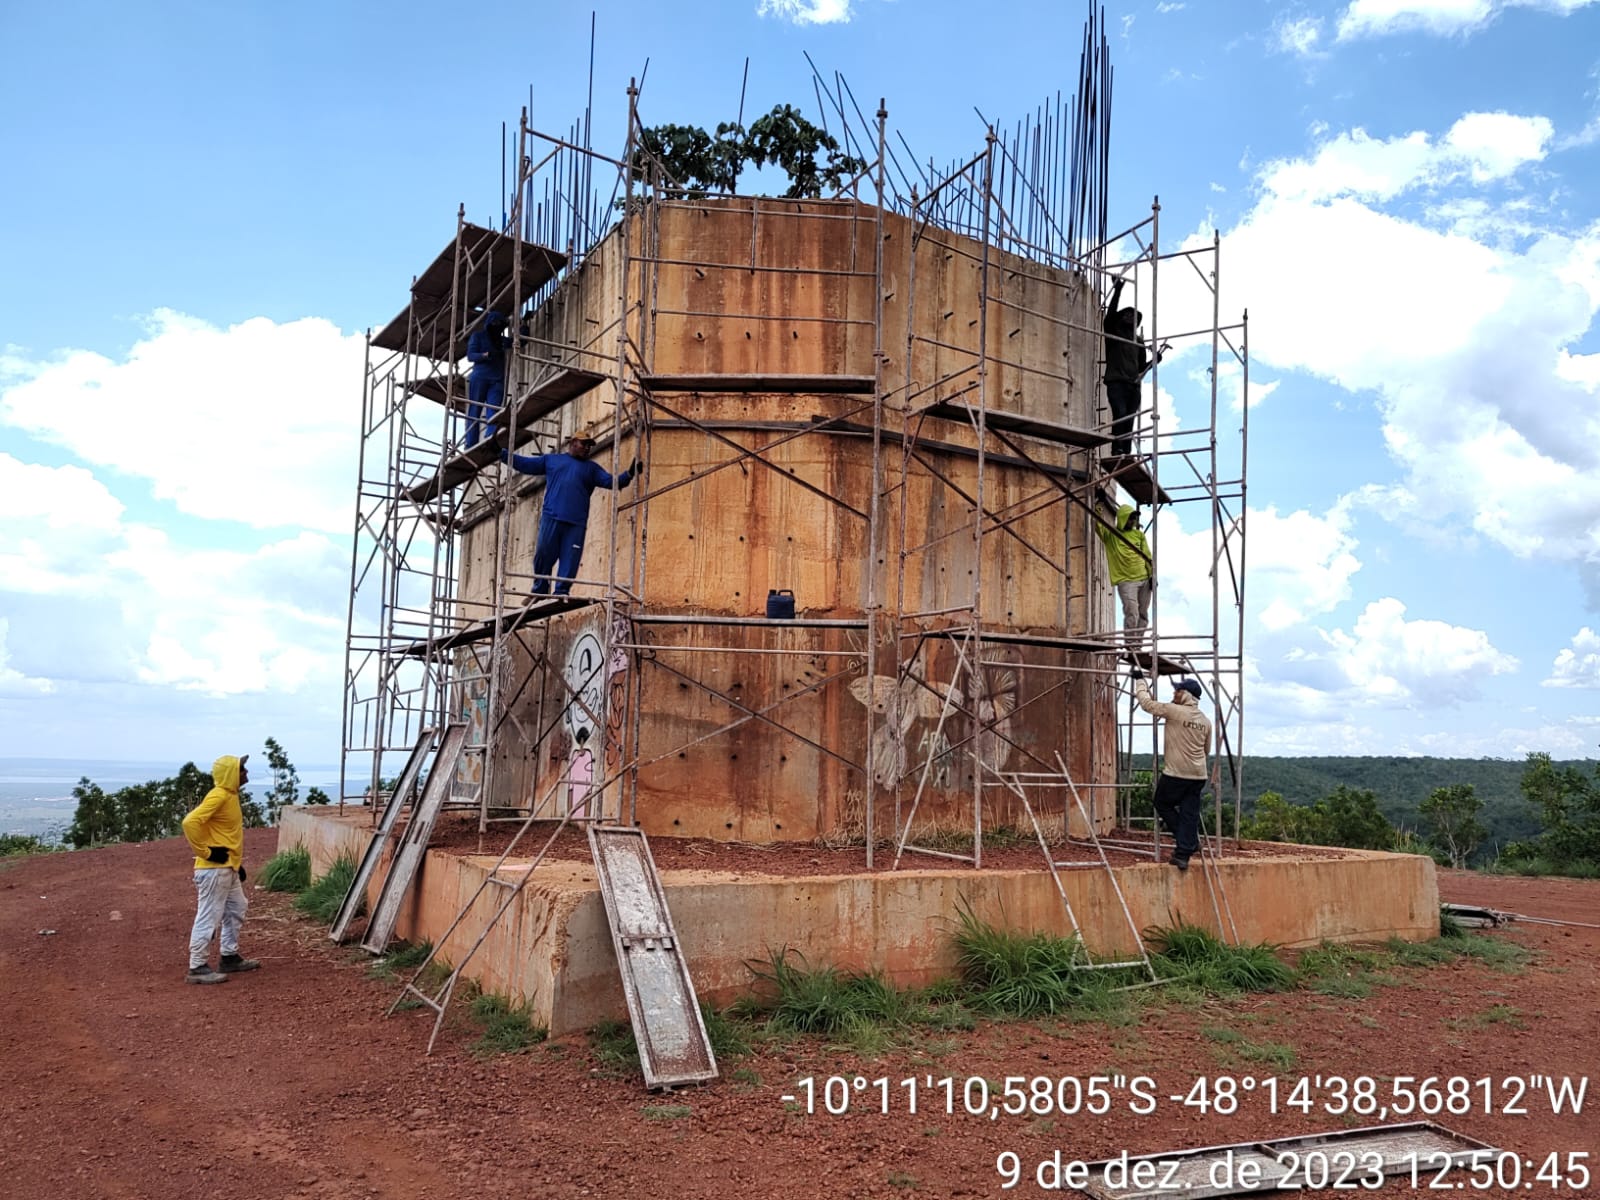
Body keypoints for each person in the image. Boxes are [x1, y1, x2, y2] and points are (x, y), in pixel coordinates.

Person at [504, 430, 642, 595]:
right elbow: (525, 464)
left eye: (589, 445)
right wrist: (502, 454)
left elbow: (611, 482)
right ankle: (540, 588)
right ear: (573, 443)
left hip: (576, 523)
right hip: (551, 517)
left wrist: (629, 474)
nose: (587, 448)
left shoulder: (591, 469)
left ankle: (561, 591)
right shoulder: (552, 460)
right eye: (584, 444)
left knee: (570, 560)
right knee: (543, 554)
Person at [180, 754, 260, 984]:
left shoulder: (230, 796)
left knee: (237, 907)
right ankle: (197, 966)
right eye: (241, 769)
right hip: (214, 869)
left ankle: (229, 957)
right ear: (230, 774)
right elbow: (190, 822)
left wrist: (236, 863)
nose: (246, 773)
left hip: (227, 867)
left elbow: (222, 834)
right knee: (209, 915)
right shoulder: (219, 796)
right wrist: (207, 852)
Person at [1130, 670, 1213, 871]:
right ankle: (1183, 854)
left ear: (1186, 695)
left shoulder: (1175, 711)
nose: (1175, 693)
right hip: (1198, 775)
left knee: (1162, 803)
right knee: (1189, 813)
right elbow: (1206, 750)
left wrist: (1140, 681)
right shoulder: (1205, 721)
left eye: (1178, 690)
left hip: (1176, 774)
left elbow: (1147, 704)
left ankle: (1190, 841)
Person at [1100, 279, 1167, 458]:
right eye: (1127, 314)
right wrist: (1117, 290)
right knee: (1120, 414)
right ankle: (1116, 448)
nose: (1130, 317)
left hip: (1133, 385)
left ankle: (1126, 451)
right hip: (1116, 382)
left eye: (1133, 316)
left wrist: (1154, 361)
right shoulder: (1114, 334)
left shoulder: (1139, 341)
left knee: (1129, 418)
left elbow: (1140, 368)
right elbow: (1110, 316)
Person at [1094, 503, 1153, 646]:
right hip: (1126, 581)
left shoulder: (1138, 534)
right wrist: (1099, 505)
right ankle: (1130, 644)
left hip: (1144, 579)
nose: (1132, 522)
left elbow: (1147, 555)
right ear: (1123, 518)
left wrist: (1152, 575)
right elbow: (1098, 525)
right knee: (1132, 611)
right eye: (1130, 518)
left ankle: (1137, 644)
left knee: (1143, 613)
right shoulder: (1111, 535)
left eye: (1134, 519)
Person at [464, 310, 510, 448]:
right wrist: (485, 355)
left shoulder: (501, 340)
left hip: (496, 379)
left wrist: (524, 326)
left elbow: (519, 341)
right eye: (495, 324)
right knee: (475, 410)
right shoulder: (478, 337)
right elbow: (471, 356)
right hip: (480, 378)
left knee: (494, 408)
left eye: (500, 325)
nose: (497, 327)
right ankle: (471, 443)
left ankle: (491, 435)